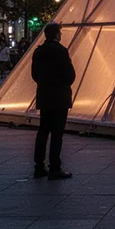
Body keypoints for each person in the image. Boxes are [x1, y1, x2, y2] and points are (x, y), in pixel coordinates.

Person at [32, 23, 75, 180]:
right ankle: (54, 168)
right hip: (59, 97)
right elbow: (70, 75)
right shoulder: (61, 51)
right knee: (57, 134)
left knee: (43, 131)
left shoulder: (38, 52)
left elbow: (35, 75)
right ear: (57, 35)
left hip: (44, 96)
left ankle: (39, 167)